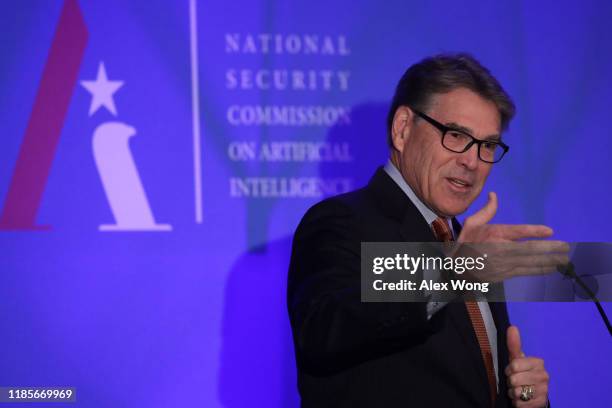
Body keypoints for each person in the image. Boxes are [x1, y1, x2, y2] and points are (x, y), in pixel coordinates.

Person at [287, 54, 563, 407]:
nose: (473, 161)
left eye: (488, 145)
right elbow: (325, 331)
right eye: (456, 135)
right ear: (402, 129)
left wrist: (523, 396)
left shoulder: (469, 244)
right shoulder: (341, 222)